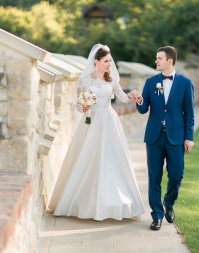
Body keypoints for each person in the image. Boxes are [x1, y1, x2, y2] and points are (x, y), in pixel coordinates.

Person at [47, 43, 145, 221]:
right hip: (91, 123)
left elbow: (122, 96)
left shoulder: (111, 79)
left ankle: (113, 201)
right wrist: (85, 108)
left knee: (111, 159)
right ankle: (84, 202)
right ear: (96, 61)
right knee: (88, 158)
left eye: (110, 60)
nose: (110, 64)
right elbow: (78, 105)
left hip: (109, 121)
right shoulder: (85, 80)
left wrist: (133, 96)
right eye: (106, 61)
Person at [132, 46, 194, 231]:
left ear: (170, 61)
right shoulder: (151, 82)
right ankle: (157, 215)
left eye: (159, 58)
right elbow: (143, 110)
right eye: (156, 58)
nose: (156, 61)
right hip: (154, 138)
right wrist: (139, 100)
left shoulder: (185, 83)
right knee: (154, 177)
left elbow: (189, 113)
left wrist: (188, 137)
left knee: (176, 175)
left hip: (176, 137)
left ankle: (169, 202)